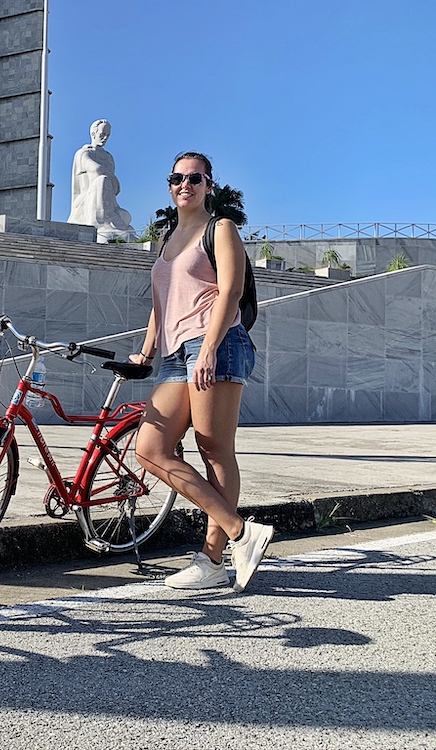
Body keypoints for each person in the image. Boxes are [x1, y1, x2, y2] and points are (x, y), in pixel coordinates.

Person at [130, 151, 273, 592]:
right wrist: (146, 352)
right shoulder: (166, 240)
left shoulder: (221, 229)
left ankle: (212, 561)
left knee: (214, 450)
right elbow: (162, 304)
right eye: (176, 177)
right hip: (174, 353)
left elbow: (229, 290)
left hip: (216, 343)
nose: (184, 185)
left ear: (209, 184)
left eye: (194, 178)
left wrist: (209, 348)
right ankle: (241, 531)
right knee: (150, 449)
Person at [66, 119, 134, 241]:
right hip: (86, 199)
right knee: (102, 179)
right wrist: (112, 178)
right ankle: (102, 223)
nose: (105, 138)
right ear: (93, 134)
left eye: (107, 135)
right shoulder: (84, 153)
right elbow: (96, 168)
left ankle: (110, 221)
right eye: (102, 135)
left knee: (126, 216)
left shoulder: (108, 157)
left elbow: (115, 189)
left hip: (108, 202)